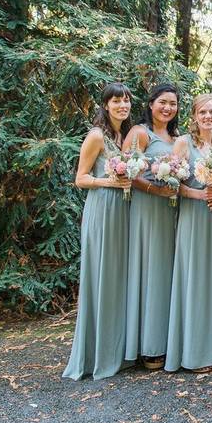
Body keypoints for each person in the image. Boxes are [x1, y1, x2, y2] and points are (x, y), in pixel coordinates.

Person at [63, 82, 134, 380]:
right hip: (103, 209)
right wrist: (110, 183)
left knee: (118, 278)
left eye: (126, 100)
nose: (122, 105)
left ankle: (116, 350)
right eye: (116, 101)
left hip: (124, 211)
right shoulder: (96, 136)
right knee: (101, 276)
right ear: (105, 106)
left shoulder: (125, 136)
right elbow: (80, 178)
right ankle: (95, 355)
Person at [165, 94, 212, 372]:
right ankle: (195, 353)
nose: (208, 116)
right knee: (195, 281)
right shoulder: (183, 143)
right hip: (193, 219)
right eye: (203, 112)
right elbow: (171, 183)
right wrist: (197, 193)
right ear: (194, 115)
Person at [123, 83, 181, 371]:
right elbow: (126, 171)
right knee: (150, 270)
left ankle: (168, 339)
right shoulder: (139, 133)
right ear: (151, 103)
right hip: (147, 209)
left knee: (168, 272)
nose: (167, 108)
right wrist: (155, 190)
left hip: (172, 211)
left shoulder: (176, 137)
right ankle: (149, 346)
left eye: (172, 103)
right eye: (162, 102)